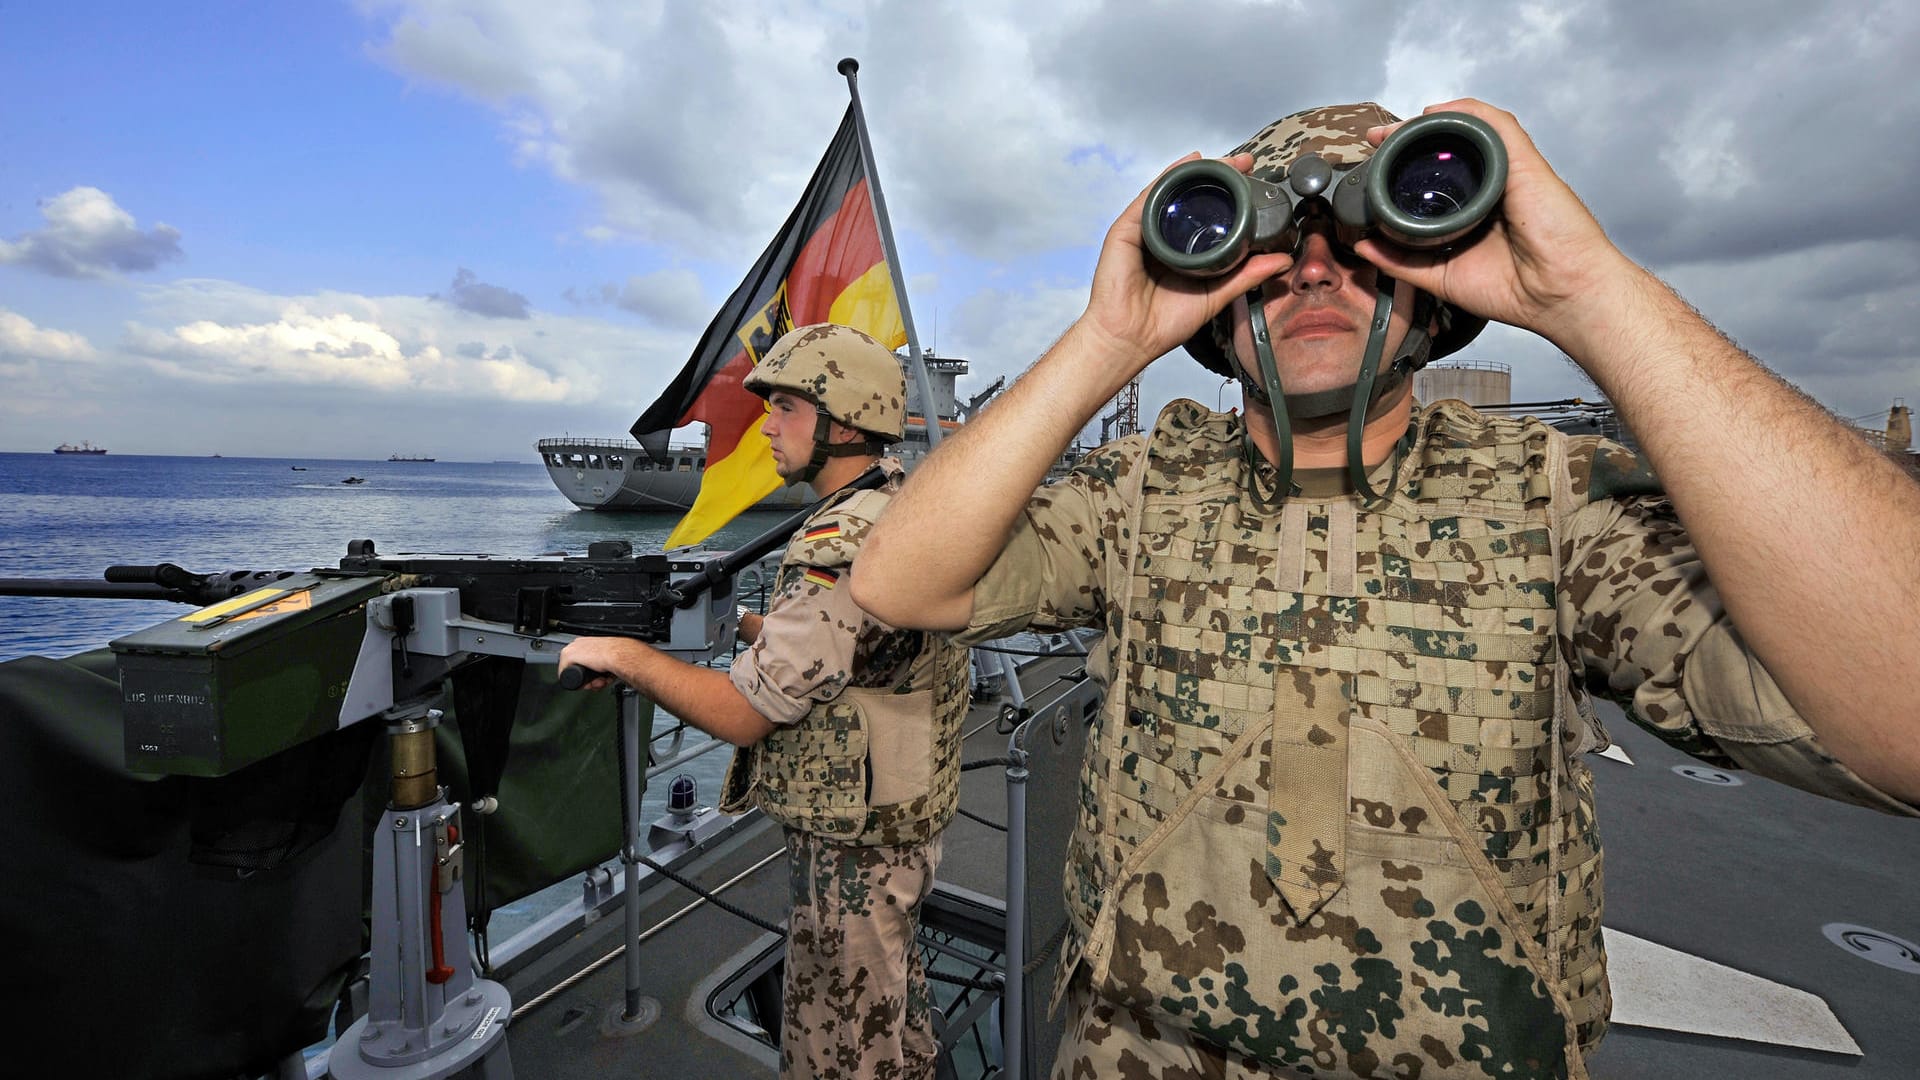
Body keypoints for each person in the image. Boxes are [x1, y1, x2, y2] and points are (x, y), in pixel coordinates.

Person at [851, 100, 1920, 1080]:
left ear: (1436, 281)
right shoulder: (1145, 492)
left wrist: (1593, 296)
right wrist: (1110, 339)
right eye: (1272, 254)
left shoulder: (1549, 499)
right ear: (1218, 303)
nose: (1316, 273)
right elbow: (902, 578)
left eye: (1367, 247)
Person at [559, 323, 971, 1080]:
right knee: (895, 1024)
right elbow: (846, 649)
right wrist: (743, 626)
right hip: (900, 822)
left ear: (843, 423)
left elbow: (746, 714)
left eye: (785, 407)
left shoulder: (838, 540)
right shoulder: (897, 505)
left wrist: (623, 656)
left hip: (853, 851)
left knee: (838, 1050)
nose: (767, 426)